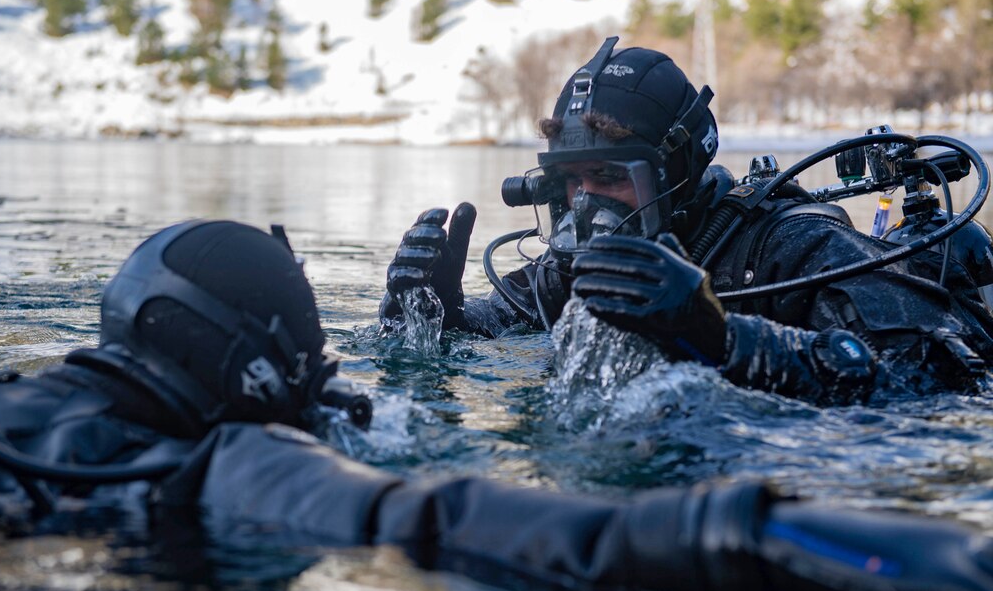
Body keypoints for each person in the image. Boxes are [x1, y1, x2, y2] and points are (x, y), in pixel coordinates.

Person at [0, 218, 993, 591]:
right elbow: (485, 523)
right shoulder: (228, 463)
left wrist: (719, 335)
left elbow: (922, 376)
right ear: (253, 377)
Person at [380, 37, 993, 404]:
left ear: (677, 171)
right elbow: (492, 334)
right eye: (572, 181)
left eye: (613, 178)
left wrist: (721, 339)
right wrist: (433, 314)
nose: (589, 203)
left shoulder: (789, 246)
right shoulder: (569, 268)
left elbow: (935, 379)